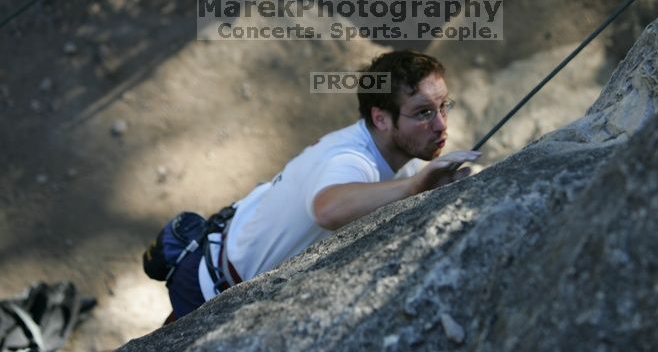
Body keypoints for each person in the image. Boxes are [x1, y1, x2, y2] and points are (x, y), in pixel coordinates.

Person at [165, 49, 480, 320]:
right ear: (382, 119)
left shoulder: (401, 158)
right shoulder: (351, 160)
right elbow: (327, 208)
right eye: (423, 112)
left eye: (443, 106)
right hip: (208, 288)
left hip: (228, 244)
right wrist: (414, 187)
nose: (441, 124)